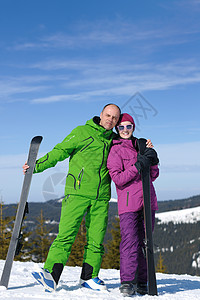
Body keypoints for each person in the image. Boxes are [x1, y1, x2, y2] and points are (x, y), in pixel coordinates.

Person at [23, 103, 121, 292]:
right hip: (77, 193)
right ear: (101, 114)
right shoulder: (82, 132)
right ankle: (51, 274)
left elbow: (130, 151)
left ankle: (89, 277)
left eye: (115, 117)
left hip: (101, 197)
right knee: (66, 235)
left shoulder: (115, 140)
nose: (111, 120)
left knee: (96, 239)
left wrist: (146, 148)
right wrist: (36, 165)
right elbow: (60, 151)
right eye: (108, 115)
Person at [107, 113, 159, 296]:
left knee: (146, 243)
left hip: (148, 201)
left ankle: (143, 281)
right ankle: (128, 281)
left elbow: (153, 176)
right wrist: (137, 166)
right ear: (117, 129)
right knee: (130, 242)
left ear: (133, 128)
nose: (125, 130)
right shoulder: (115, 150)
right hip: (129, 204)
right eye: (121, 127)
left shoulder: (141, 145)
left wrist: (153, 160)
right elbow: (118, 179)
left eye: (128, 126)